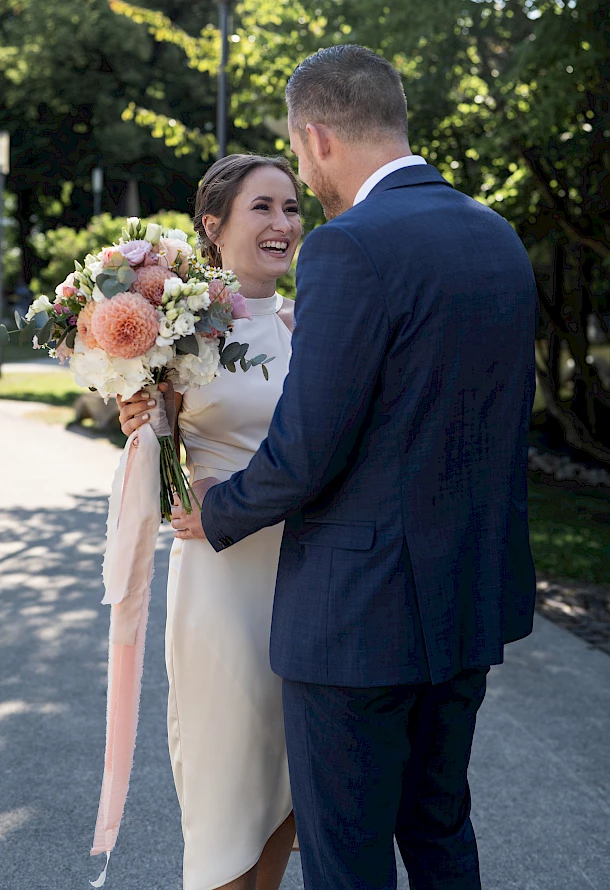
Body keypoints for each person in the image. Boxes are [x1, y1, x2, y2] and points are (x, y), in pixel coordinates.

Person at [174, 45, 539, 890]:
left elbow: (307, 447)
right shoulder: (498, 238)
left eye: (299, 159)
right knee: (441, 831)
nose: (306, 178)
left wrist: (218, 512)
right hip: (467, 606)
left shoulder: (351, 249)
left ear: (318, 136)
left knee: (348, 860)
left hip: (358, 622)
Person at [117, 154, 303, 890]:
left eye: (291, 208)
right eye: (262, 208)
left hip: (309, 572)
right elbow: (157, 479)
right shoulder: (178, 334)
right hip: (222, 579)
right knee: (228, 787)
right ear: (213, 226)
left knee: (289, 779)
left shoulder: (314, 324)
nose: (283, 224)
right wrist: (140, 415)